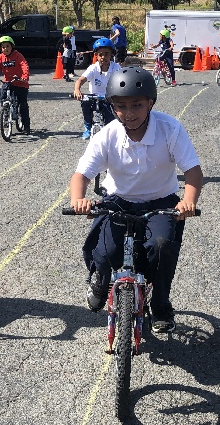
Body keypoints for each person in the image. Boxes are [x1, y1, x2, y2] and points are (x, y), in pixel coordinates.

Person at [69, 66, 202, 333]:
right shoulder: (107, 135)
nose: (129, 113)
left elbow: (193, 172)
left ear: (150, 102)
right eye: (120, 106)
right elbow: (81, 174)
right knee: (105, 253)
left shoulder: (170, 129)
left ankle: (161, 303)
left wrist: (188, 201)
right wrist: (78, 198)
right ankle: (100, 279)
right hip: (117, 201)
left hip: (160, 202)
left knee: (163, 247)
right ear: (112, 106)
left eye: (137, 105)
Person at [73, 37, 121, 139]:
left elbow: (122, 82)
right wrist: (77, 90)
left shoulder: (116, 68)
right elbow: (80, 80)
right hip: (94, 97)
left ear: (111, 54)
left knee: (109, 124)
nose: (104, 57)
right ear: (96, 55)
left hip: (109, 98)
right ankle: (88, 127)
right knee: (85, 101)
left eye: (107, 54)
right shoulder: (93, 68)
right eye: (100, 54)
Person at [0, 35, 31, 134]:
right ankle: (6, 113)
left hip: (20, 83)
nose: (5, 49)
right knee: (3, 97)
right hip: (8, 82)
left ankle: (26, 125)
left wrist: (25, 77)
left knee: (23, 105)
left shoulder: (17, 55)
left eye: (8, 46)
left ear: (12, 46)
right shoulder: (0, 57)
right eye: (3, 47)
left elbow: (24, 65)